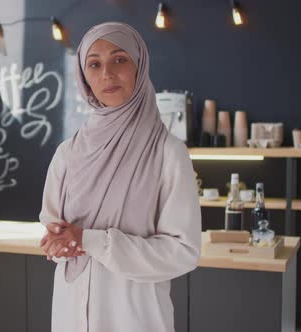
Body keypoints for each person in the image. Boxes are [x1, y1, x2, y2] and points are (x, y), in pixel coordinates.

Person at [39, 22, 201, 331]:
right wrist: (58, 243)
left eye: (119, 59)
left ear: (139, 66)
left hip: (135, 319)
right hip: (71, 316)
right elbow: (53, 229)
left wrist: (90, 240)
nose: (107, 74)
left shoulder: (167, 151)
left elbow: (184, 253)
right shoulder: (68, 152)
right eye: (94, 64)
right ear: (84, 76)